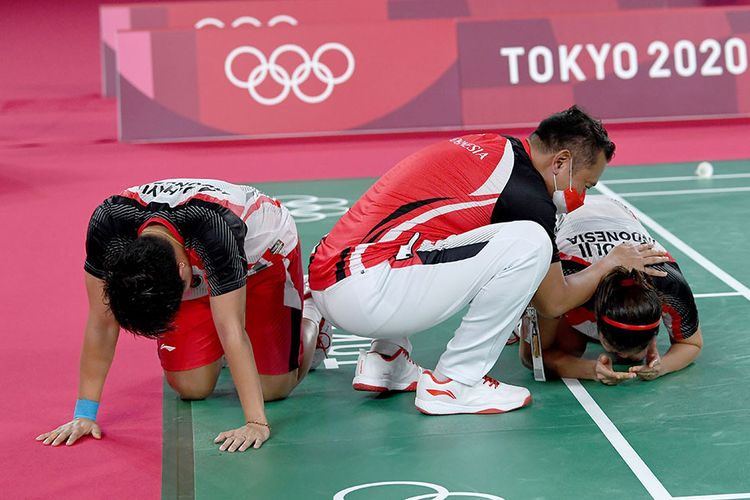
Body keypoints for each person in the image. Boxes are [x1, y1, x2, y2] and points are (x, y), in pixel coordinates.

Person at [305, 106, 668, 416]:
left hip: (332, 276)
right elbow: (553, 302)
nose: (582, 198)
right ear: (561, 162)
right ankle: (455, 382)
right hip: (365, 292)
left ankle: (388, 359)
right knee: (530, 242)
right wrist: (612, 261)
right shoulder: (527, 198)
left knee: (437, 232)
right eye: (586, 184)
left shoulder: (496, 147)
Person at [36, 179, 325, 452]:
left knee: (272, 389)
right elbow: (101, 321)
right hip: (190, 258)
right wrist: (85, 413)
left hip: (264, 257)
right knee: (191, 387)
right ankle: (219, 324)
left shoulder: (216, 228)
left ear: (181, 272)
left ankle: (311, 314)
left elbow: (232, 330)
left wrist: (255, 423)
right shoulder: (109, 226)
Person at [520, 195, 703, 384]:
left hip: (615, 211)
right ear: (596, 322)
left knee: (633, 356)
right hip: (570, 213)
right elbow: (531, 357)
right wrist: (590, 370)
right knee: (570, 345)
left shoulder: (670, 284)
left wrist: (662, 365)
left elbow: (692, 343)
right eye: (614, 348)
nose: (620, 355)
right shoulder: (565, 282)